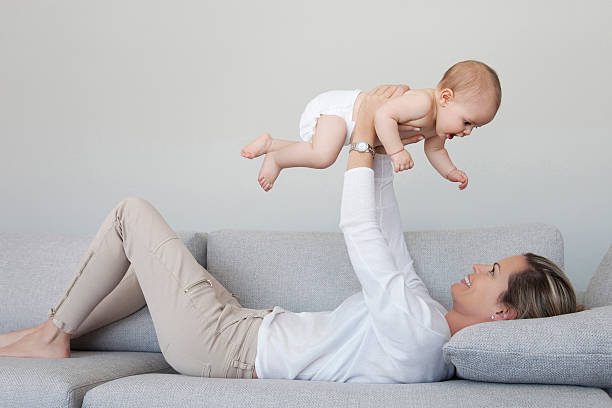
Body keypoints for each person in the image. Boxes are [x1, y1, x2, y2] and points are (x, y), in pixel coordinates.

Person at [0, 86, 585, 383]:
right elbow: (388, 238)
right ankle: (40, 333)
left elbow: (359, 232)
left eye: (494, 273)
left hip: (224, 347)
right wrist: (381, 151)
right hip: (241, 325)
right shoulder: (426, 320)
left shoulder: (419, 335)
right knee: (148, 261)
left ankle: (53, 334)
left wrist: (359, 135)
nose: (480, 267)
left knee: (132, 213)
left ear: (505, 314)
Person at [241, 60, 501, 192]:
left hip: (349, 125)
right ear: (445, 97)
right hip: (341, 110)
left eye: (474, 127)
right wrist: (397, 150)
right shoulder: (423, 103)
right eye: (467, 121)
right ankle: (277, 159)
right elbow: (382, 115)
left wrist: (451, 172)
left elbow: (435, 152)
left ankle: (272, 145)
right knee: (323, 156)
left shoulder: (439, 127)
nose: (467, 131)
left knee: (317, 150)